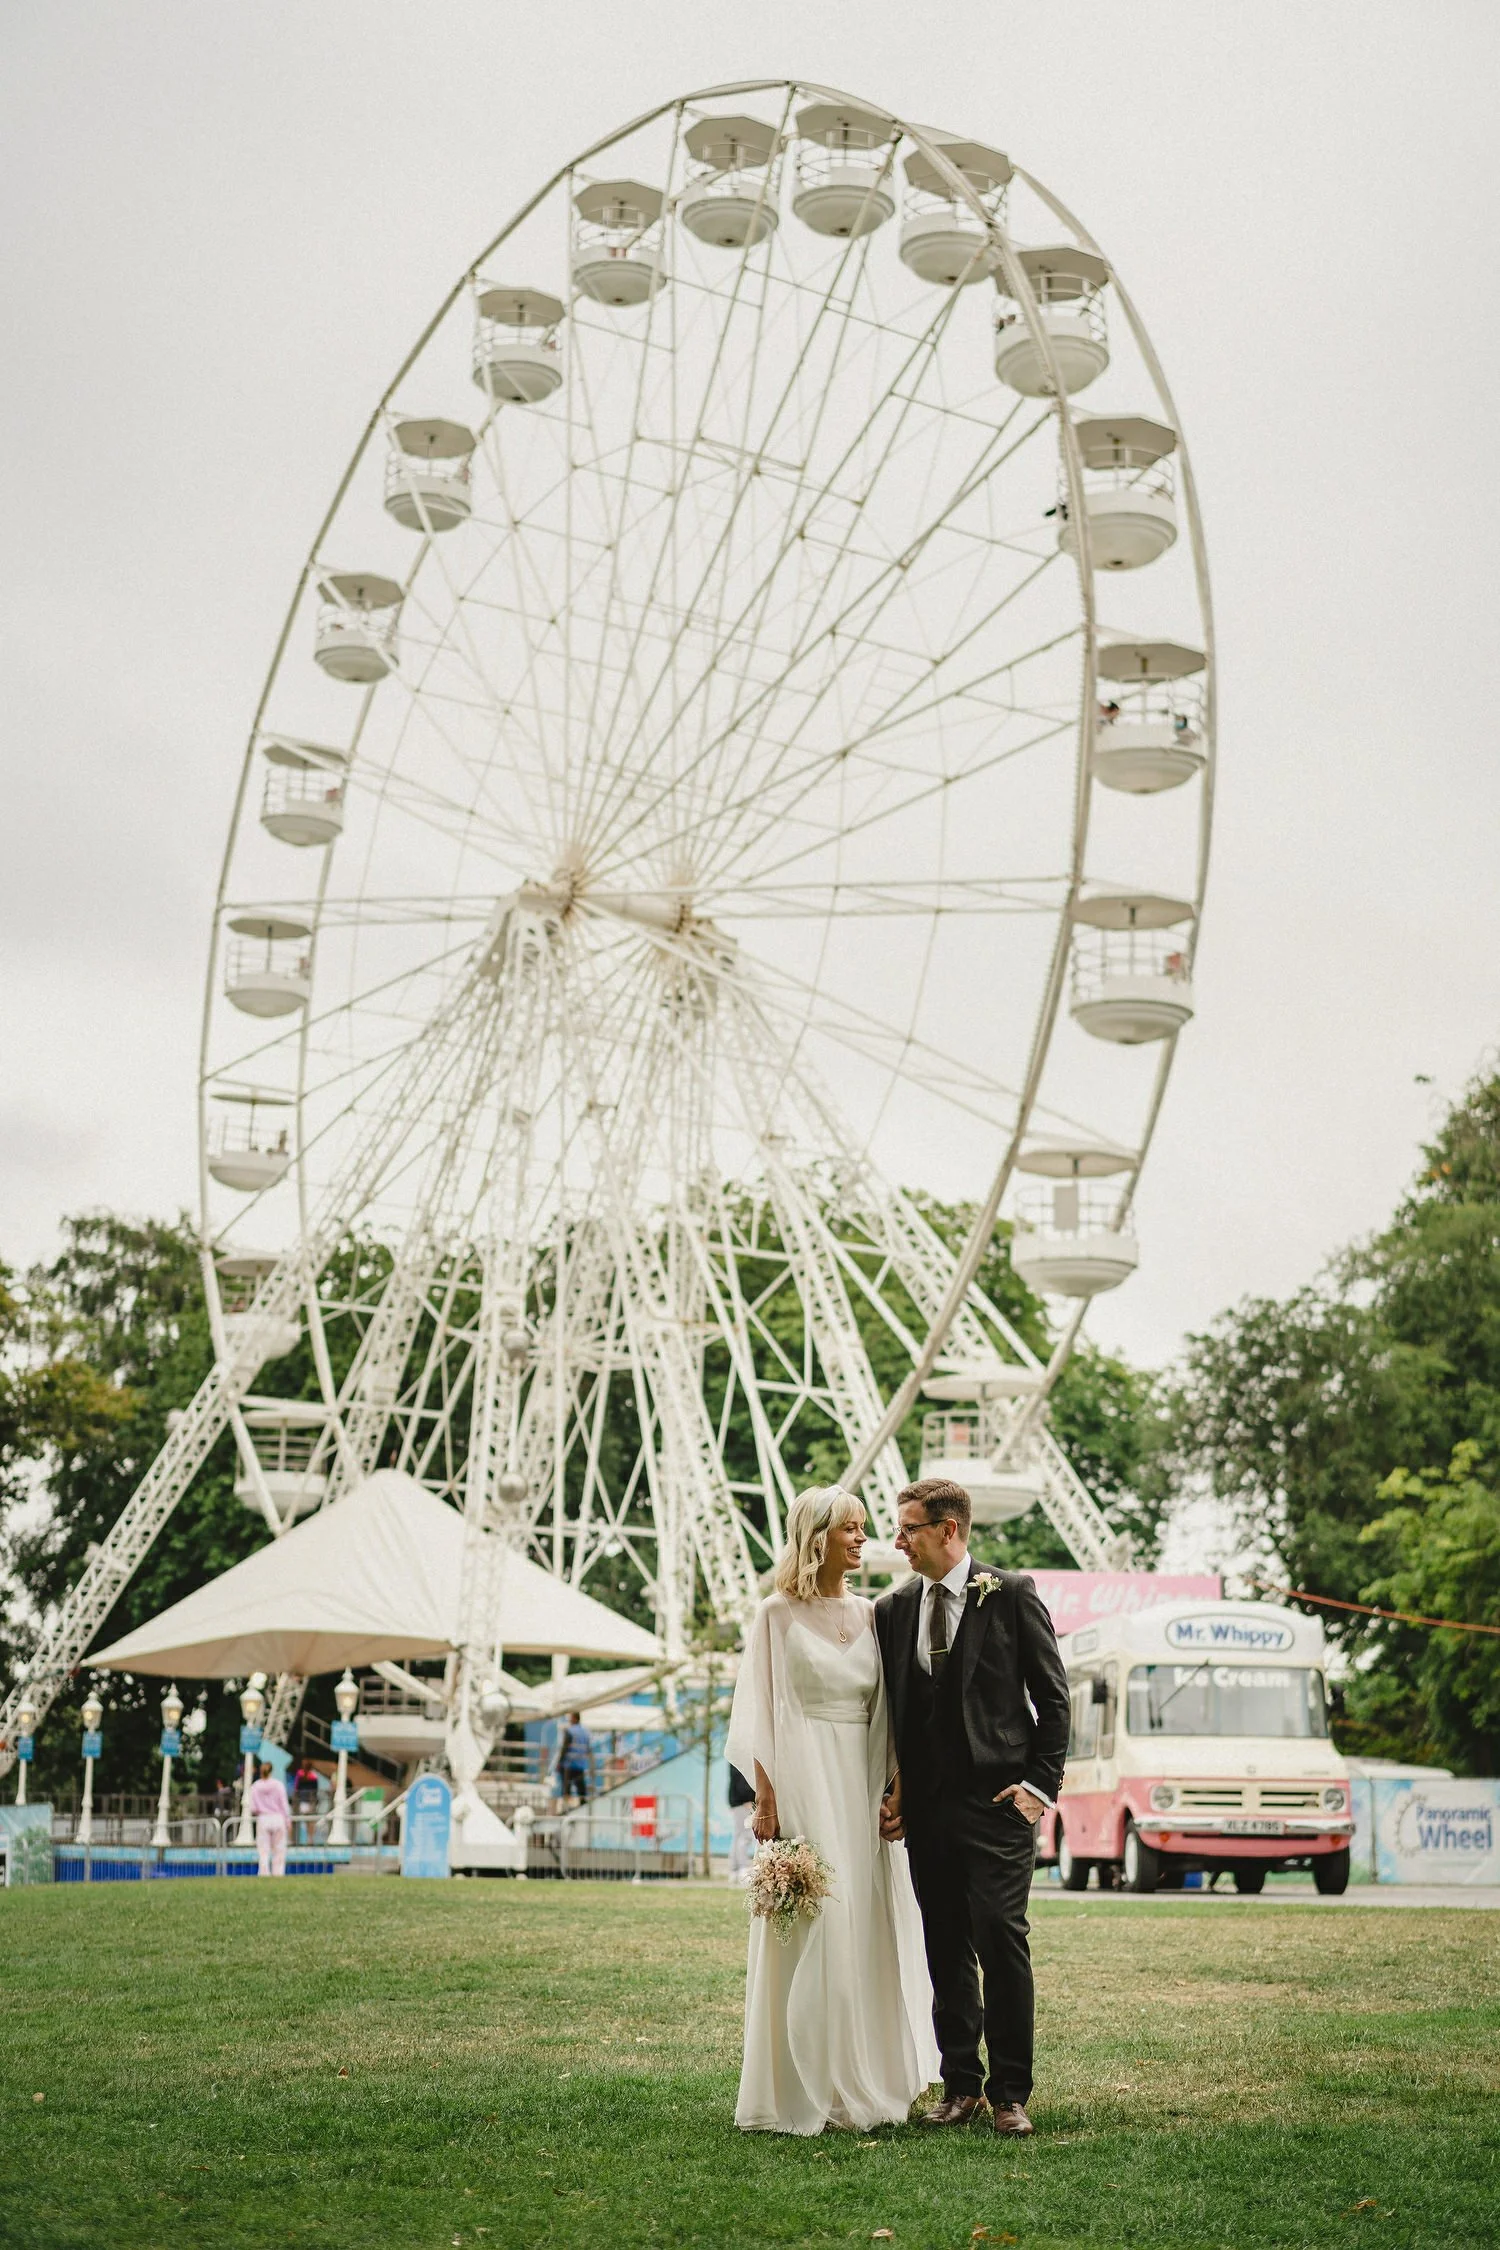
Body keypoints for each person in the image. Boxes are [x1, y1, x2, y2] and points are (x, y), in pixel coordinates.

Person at [728, 1484, 939, 2135]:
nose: (862, 1539)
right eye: (851, 1528)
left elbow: (888, 1711)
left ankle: (859, 2080)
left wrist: (895, 1782)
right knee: (820, 1921)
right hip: (801, 1782)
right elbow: (758, 1711)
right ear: (816, 1535)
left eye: (864, 1528)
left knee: (861, 1926)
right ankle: (800, 2083)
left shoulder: (874, 1615)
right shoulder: (775, 1615)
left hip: (857, 1779)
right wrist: (766, 1802)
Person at [875, 1479, 1070, 2139]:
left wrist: (1038, 1788)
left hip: (998, 1806)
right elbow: (893, 1713)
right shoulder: (894, 1608)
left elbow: (1053, 1697)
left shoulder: (1010, 1592)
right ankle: (960, 2085)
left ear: (948, 1530)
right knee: (945, 1943)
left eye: (908, 1529)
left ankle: (1010, 2092)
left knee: (1000, 1937)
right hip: (927, 1810)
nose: (897, 1542)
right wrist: (894, 1790)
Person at [249, 1759, 292, 1877]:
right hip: (278, 1818)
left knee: (263, 1850)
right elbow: (284, 1804)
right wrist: (288, 1820)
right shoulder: (278, 1785)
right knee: (279, 1849)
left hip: (263, 1818)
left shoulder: (255, 1786)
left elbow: (252, 1808)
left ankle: (264, 1873)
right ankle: (278, 1873)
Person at [726, 1762, 756, 1884]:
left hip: (737, 1800)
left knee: (738, 1835)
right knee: (745, 1836)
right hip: (743, 1801)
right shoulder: (742, 1752)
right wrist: (748, 1797)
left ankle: (734, 1870)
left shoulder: (734, 1750)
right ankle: (742, 1869)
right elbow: (742, 1776)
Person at [555, 1712, 592, 1806]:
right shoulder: (585, 1732)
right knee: (581, 1787)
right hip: (580, 1764)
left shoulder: (570, 1731)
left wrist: (559, 1762)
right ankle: (583, 1804)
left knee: (566, 1786)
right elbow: (588, 1748)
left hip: (569, 1764)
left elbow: (565, 1748)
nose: (569, 1720)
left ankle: (567, 1806)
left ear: (575, 1719)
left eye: (570, 1718)